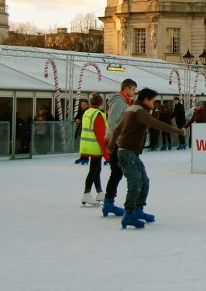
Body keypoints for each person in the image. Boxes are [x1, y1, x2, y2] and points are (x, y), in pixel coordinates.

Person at [108, 87, 185, 229]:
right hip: (127, 152)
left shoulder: (131, 109)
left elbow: (118, 129)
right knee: (135, 183)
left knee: (144, 181)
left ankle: (138, 210)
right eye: (153, 101)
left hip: (127, 152)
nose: (154, 104)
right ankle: (129, 215)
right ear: (146, 99)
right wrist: (178, 131)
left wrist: (111, 146)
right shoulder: (139, 111)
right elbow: (157, 124)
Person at [101, 79, 136, 217]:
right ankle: (108, 203)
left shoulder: (125, 101)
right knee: (117, 172)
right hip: (114, 141)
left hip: (116, 140)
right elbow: (112, 120)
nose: (134, 91)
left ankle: (109, 202)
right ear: (126, 88)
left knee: (117, 172)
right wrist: (119, 138)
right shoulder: (119, 101)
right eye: (133, 89)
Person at [79, 93, 111, 206]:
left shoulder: (87, 112)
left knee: (96, 169)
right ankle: (86, 193)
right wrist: (106, 153)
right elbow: (100, 134)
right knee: (94, 170)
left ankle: (99, 192)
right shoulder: (98, 114)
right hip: (95, 145)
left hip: (87, 144)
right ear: (101, 104)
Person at [73, 98, 89, 164]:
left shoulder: (88, 111)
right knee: (82, 145)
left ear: (87, 105)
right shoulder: (81, 111)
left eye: (84, 105)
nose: (82, 106)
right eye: (82, 105)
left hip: (87, 131)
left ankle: (86, 158)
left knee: (86, 145)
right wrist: (76, 120)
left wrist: (80, 120)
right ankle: (82, 157)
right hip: (80, 130)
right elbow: (76, 117)